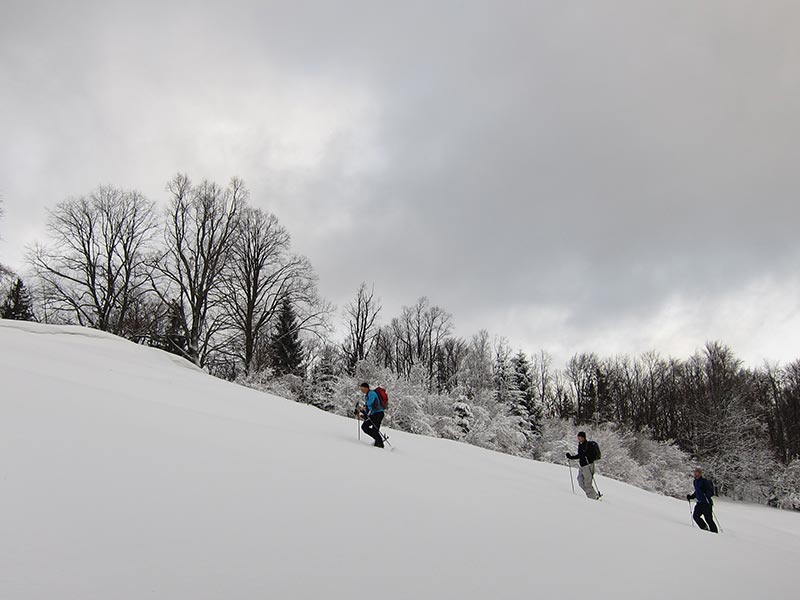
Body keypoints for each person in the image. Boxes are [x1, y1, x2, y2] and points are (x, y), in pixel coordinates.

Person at [566, 431, 599, 499]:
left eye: (580, 437)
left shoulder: (587, 445)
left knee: (587, 483)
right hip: (582, 466)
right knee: (580, 481)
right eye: (578, 437)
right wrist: (571, 457)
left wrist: (587, 456)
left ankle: (593, 497)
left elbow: (590, 455)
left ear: (583, 437)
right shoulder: (580, 445)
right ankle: (593, 494)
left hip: (588, 465)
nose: (579, 438)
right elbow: (580, 455)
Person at [687, 468, 718, 533]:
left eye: (697, 472)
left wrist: (706, 493)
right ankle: (704, 529)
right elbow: (697, 491)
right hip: (699, 503)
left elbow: (711, 492)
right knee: (695, 516)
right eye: (694, 472)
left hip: (706, 503)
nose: (695, 474)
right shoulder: (695, 481)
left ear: (700, 474)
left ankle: (715, 532)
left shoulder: (705, 481)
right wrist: (691, 496)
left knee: (708, 519)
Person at [357, 382, 384, 448]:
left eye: (362, 388)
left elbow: (370, 403)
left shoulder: (372, 393)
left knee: (375, 430)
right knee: (364, 427)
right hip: (374, 414)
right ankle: (378, 440)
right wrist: (363, 413)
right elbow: (368, 407)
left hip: (379, 414)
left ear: (366, 388)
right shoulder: (367, 395)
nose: (361, 390)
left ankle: (380, 444)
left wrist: (364, 407)